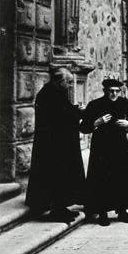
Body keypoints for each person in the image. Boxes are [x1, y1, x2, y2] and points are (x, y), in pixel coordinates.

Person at [81, 79, 128, 226]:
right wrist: (97, 122)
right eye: (111, 91)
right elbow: (84, 128)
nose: (114, 94)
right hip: (101, 148)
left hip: (120, 146)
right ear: (105, 91)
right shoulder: (95, 105)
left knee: (121, 177)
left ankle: (122, 211)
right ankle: (102, 213)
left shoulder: (125, 103)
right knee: (101, 178)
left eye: (117, 91)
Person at [25, 67, 85, 222]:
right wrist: (78, 112)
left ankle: (60, 207)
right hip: (53, 146)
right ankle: (56, 209)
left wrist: (75, 111)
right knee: (57, 176)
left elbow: (63, 112)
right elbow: (61, 117)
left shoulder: (54, 93)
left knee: (61, 177)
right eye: (68, 82)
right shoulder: (50, 94)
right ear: (60, 80)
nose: (70, 85)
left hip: (56, 144)